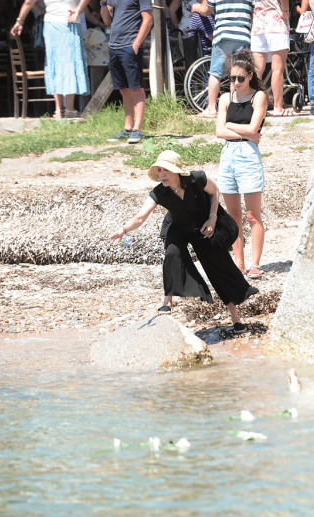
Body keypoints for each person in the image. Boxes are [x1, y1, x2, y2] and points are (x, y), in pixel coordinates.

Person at [109, 150, 259, 332]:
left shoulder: (197, 179)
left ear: (177, 171)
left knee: (217, 266)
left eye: (166, 170)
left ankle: (235, 318)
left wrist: (212, 218)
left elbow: (215, 192)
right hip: (178, 227)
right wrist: (123, 229)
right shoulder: (159, 192)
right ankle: (168, 301)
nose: (162, 174)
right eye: (159, 170)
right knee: (173, 253)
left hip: (203, 226)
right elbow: (140, 217)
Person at [216, 49, 266, 278]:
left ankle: (255, 263)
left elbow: (253, 128)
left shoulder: (258, 97)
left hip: (248, 158)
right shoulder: (225, 98)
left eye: (240, 78)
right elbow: (219, 131)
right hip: (228, 158)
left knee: (253, 215)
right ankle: (239, 262)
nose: (235, 83)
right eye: (232, 78)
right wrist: (245, 133)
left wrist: (233, 128)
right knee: (233, 216)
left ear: (250, 76)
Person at [11, 0, 91, 118]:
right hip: (70, 20)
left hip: (51, 23)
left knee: (54, 63)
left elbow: (29, 2)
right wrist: (78, 10)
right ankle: (69, 108)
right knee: (70, 61)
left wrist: (20, 21)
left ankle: (59, 109)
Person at [101, 0, 152, 143]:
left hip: (130, 46)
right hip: (114, 46)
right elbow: (107, 20)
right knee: (123, 89)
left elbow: (148, 19)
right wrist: (103, 3)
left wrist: (136, 44)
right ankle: (128, 127)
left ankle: (137, 129)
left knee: (136, 88)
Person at [191, 0, 252, 118]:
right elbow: (253, 15)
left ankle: (211, 108)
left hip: (223, 35)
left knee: (215, 73)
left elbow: (206, 11)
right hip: (243, 35)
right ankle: (235, 107)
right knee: (237, 73)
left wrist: (195, 7)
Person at [250, 0, 287, 115]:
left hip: (258, 23)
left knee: (257, 70)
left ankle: (255, 107)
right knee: (277, 69)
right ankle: (278, 107)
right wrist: (285, 11)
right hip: (276, 22)